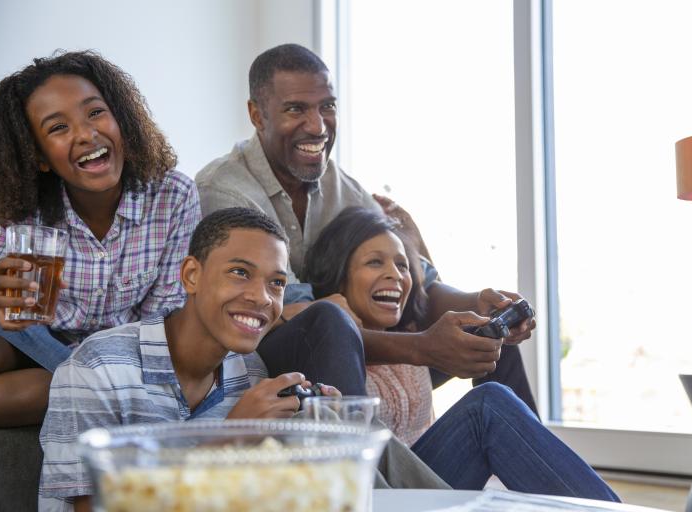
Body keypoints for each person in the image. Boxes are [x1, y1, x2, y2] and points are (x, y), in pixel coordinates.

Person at [195, 43, 537, 412]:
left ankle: (534, 466)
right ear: (257, 115)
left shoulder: (343, 188)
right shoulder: (225, 190)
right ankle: (363, 467)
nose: (317, 126)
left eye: (327, 106)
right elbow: (287, 314)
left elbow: (419, 282)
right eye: (296, 109)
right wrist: (423, 346)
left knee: (486, 338)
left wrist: (477, 303)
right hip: (262, 357)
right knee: (327, 318)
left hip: (343, 348)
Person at [300, 206, 619, 500]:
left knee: (491, 346)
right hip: (383, 492)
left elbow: (430, 290)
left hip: (430, 477)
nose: (395, 275)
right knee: (487, 406)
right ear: (339, 273)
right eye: (374, 262)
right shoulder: (327, 347)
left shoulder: (413, 332)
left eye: (402, 265)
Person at [38, 207, 345, 512]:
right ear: (191, 275)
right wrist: (231, 438)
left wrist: (309, 440)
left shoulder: (250, 373)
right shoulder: (95, 369)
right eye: (240, 273)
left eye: (276, 282)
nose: (262, 297)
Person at [0, 50, 201, 427]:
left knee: (48, 387)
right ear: (40, 156)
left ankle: (76, 380)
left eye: (95, 112)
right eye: (58, 128)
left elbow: (165, 325)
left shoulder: (172, 197)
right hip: (28, 343)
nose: (85, 134)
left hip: (115, 362)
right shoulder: (21, 206)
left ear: (122, 120)